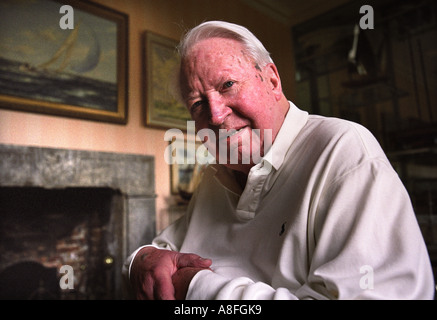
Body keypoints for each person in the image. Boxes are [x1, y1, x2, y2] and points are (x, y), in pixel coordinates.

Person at [123, 21, 435, 300]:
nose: (216, 115)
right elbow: (160, 253)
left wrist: (195, 287)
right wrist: (141, 259)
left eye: (227, 85)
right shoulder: (215, 178)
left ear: (272, 81)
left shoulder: (343, 149)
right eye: (197, 104)